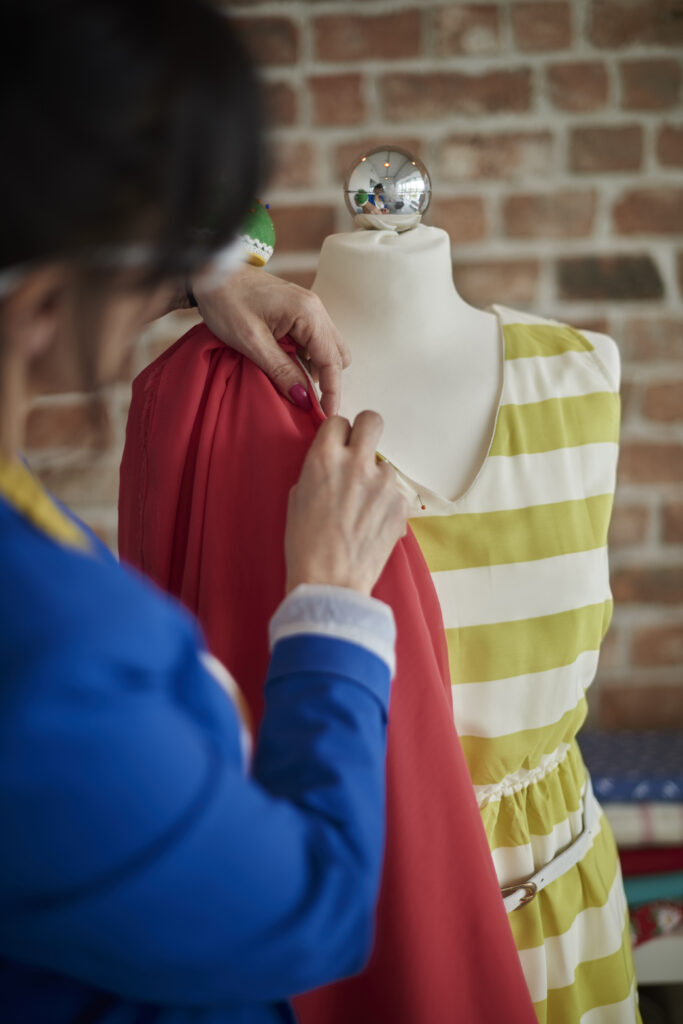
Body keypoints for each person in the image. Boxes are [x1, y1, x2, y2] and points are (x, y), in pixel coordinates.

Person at [0, 2, 410, 1022]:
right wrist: (329, 605)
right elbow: (308, 912)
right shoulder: (53, 661)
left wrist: (203, 271)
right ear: (47, 303)